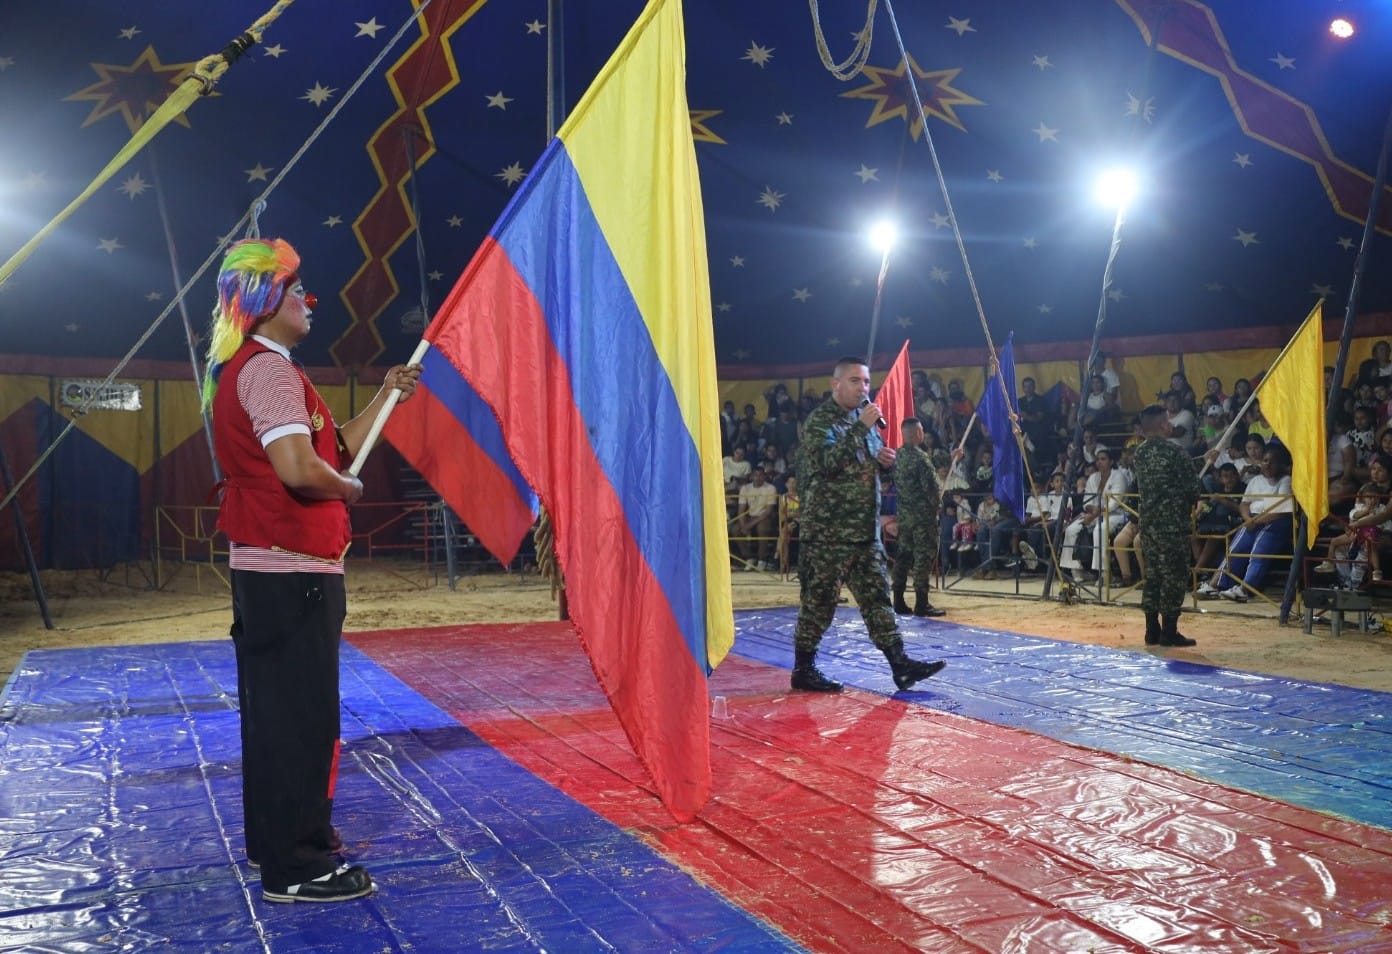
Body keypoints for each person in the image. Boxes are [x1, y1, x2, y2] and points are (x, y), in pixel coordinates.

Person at [203, 238, 422, 903]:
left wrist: (385, 396)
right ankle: (297, 866)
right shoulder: (268, 371)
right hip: (290, 571)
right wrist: (350, 492)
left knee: (279, 717)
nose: (309, 301)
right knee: (301, 719)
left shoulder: (269, 368)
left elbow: (336, 447)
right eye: (297, 290)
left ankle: (276, 844)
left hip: (280, 570)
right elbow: (304, 471)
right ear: (266, 300)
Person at [791, 358, 948, 692]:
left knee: (878, 600)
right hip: (827, 534)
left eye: (865, 382)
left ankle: (900, 664)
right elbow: (828, 464)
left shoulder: (866, 424)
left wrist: (886, 463)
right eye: (854, 381)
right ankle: (803, 669)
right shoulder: (821, 422)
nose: (863, 388)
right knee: (820, 602)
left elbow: (869, 469)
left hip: (864, 533)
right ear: (836, 384)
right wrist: (860, 428)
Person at [1133, 404, 1201, 647]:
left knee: (1153, 576)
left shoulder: (1139, 453)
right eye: (1168, 420)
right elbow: (1193, 491)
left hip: (1149, 524)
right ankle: (1169, 632)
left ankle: (1152, 630)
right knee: (1173, 577)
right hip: (1172, 525)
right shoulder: (1177, 453)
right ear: (1163, 425)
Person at [1196, 444, 1295, 602]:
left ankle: (1244, 589)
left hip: (1276, 521)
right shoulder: (1256, 480)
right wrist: (1248, 518)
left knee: (1258, 551)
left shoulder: (1286, 480)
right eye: (1265, 460)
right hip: (1253, 519)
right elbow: (1244, 504)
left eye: (1273, 462)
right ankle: (1215, 585)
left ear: (1281, 465)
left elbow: (1280, 511)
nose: (1268, 465)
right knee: (1235, 549)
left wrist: (1254, 521)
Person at [890, 417, 948, 617]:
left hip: (905, 516)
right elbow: (931, 489)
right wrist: (938, 506)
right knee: (923, 558)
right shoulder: (921, 458)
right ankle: (922, 603)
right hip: (923, 518)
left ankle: (897, 599)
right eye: (921, 430)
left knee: (903, 557)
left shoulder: (897, 456)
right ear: (917, 433)